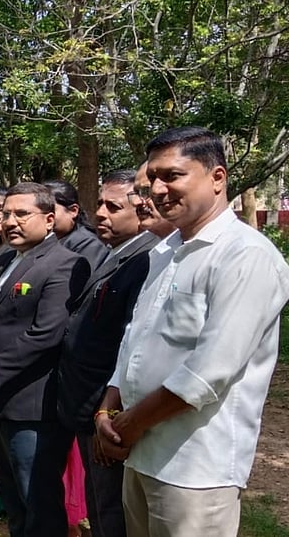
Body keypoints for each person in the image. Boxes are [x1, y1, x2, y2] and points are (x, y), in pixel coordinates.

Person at [97, 127, 289, 536]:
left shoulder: (247, 256)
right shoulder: (165, 253)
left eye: (172, 175)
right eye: (152, 180)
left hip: (195, 467)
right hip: (138, 453)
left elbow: (208, 372)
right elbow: (135, 342)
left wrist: (128, 424)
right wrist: (106, 411)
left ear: (217, 177)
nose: (158, 190)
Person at [0, 182, 90, 536]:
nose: (10, 221)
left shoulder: (66, 264)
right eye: (6, 213)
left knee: (38, 500)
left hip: (34, 407)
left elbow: (46, 334)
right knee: (13, 499)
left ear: (48, 219)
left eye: (21, 214)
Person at [54, 169, 161, 537]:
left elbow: (129, 345)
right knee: (100, 506)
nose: (100, 213)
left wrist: (109, 413)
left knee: (112, 513)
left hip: (106, 411)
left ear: (141, 207)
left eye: (113, 206)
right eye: (99, 203)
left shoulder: (147, 260)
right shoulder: (116, 254)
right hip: (88, 407)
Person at [45, 180, 110, 269]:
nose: (44, 216)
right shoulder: (41, 241)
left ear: (73, 211)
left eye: (49, 210)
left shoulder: (89, 245)